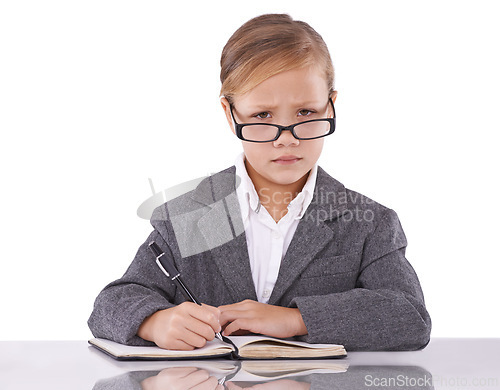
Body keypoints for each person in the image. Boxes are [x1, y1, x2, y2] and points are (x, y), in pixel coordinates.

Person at [88, 13, 431, 351]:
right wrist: (153, 321)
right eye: (262, 116)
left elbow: (410, 316)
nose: (286, 139)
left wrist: (297, 319)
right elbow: (111, 304)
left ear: (331, 106)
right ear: (229, 113)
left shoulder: (369, 222)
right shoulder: (188, 214)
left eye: (306, 113)